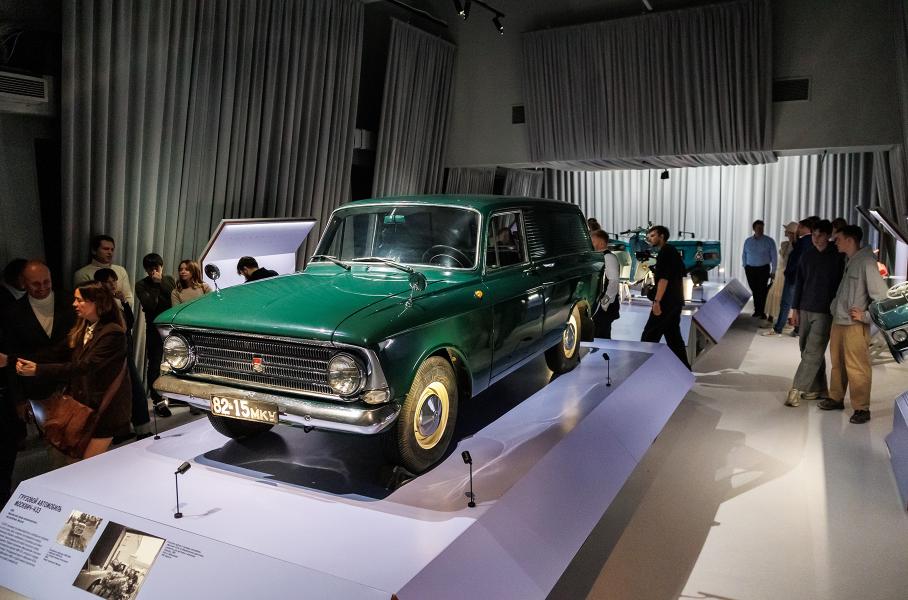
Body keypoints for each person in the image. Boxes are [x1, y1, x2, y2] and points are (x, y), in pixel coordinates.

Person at [16, 282, 132, 460]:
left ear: (97, 302)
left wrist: (38, 370)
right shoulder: (84, 327)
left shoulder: (113, 333)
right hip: (84, 407)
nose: (74, 304)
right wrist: (13, 359)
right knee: (73, 460)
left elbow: (84, 366)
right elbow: (55, 352)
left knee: (85, 465)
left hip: (105, 410)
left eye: (79, 300)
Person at [817, 225, 889, 423]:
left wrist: (865, 316)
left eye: (838, 239)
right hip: (840, 322)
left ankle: (861, 408)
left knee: (857, 367)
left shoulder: (866, 262)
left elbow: (882, 298)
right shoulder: (851, 260)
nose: (835, 242)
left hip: (854, 326)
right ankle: (836, 398)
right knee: (837, 363)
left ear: (850, 240)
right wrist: (835, 308)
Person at [784, 220, 845, 407]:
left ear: (828, 235)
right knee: (806, 349)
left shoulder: (838, 256)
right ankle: (819, 388)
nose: (816, 239)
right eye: (814, 235)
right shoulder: (807, 255)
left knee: (813, 351)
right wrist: (795, 309)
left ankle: (797, 389)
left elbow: (841, 285)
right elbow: (800, 282)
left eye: (820, 235)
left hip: (825, 311)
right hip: (805, 308)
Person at [4, 261, 77, 408]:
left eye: (46, 282)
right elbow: (12, 356)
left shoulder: (72, 303)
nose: (42, 287)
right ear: (24, 283)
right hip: (36, 388)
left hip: (73, 383)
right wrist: (19, 400)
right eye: (36, 284)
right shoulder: (13, 313)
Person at [94, 269, 152, 438]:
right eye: (108, 282)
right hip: (115, 353)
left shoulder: (115, 301)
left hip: (124, 349)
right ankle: (135, 430)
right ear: (99, 284)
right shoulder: (101, 305)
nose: (113, 284)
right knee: (130, 390)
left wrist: (124, 302)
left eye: (114, 281)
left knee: (128, 390)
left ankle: (128, 430)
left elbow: (130, 322)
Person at [640, 225, 691, 369]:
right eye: (649, 236)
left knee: (649, 336)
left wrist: (657, 301)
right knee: (674, 338)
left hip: (665, 302)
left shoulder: (665, 252)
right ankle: (684, 370)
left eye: (653, 236)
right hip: (675, 301)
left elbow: (664, 279)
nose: (650, 239)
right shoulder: (672, 251)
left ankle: (643, 369)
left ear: (661, 236)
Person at [135, 253, 176, 418]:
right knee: (154, 364)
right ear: (146, 269)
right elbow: (150, 305)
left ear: (162, 266)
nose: (154, 271)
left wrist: (160, 283)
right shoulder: (141, 285)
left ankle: (174, 395)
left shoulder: (169, 280)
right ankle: (157, 401)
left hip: (172, 327)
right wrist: (155, 285)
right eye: (150, 268)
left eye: (157, 267)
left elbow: (174, 300)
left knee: (176, 362)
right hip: (155, 329)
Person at [764, 217, 816, 337]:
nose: (799, 230)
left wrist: (789, 272)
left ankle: (779, 328)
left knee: (786, 303)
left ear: (805, 228)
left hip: (794, 276)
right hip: (802, 276)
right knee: (797, 304)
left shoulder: (803, 241)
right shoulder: (809, 241)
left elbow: (797, 260)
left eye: (800, 227)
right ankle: (797, 329)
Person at [73, 235, 133, 305]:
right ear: (94, 251)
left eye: (112, 249)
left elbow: (129, 298)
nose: (110, 252)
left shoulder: (120, 270)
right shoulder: (82, 273)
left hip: (122, 311)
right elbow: (87, 302)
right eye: (106, 249)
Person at [742, 220, 777, 319]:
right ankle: (757, 310)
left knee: (762, 290)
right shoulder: (748, 241)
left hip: (763, 269)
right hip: (750, 269)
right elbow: (744, 254)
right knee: (754, 289)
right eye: (758, 228)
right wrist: (745, 265)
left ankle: (762, 311)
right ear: (754, 229)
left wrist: (773, 271)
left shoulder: (769, 241)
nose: (761, 230)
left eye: (762, 228)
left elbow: (774, 257)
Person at [765, 222, 798, 324]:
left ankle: (788, 318)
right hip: (781, 272)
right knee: (774, 293)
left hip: (788, 272)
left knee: (787, 295)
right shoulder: (784, 244)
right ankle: (771, 316)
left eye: (787, 231)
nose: (785, 232)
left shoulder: (797, 245)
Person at [591, 230, 620, 338]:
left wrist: (604, 303)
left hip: (605, 306)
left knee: (602, 336)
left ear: (602, 243)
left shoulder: (609, 258)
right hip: (600, 305)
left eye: (593, 241)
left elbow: (613, 281)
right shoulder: (600, 257)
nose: (591, 244)